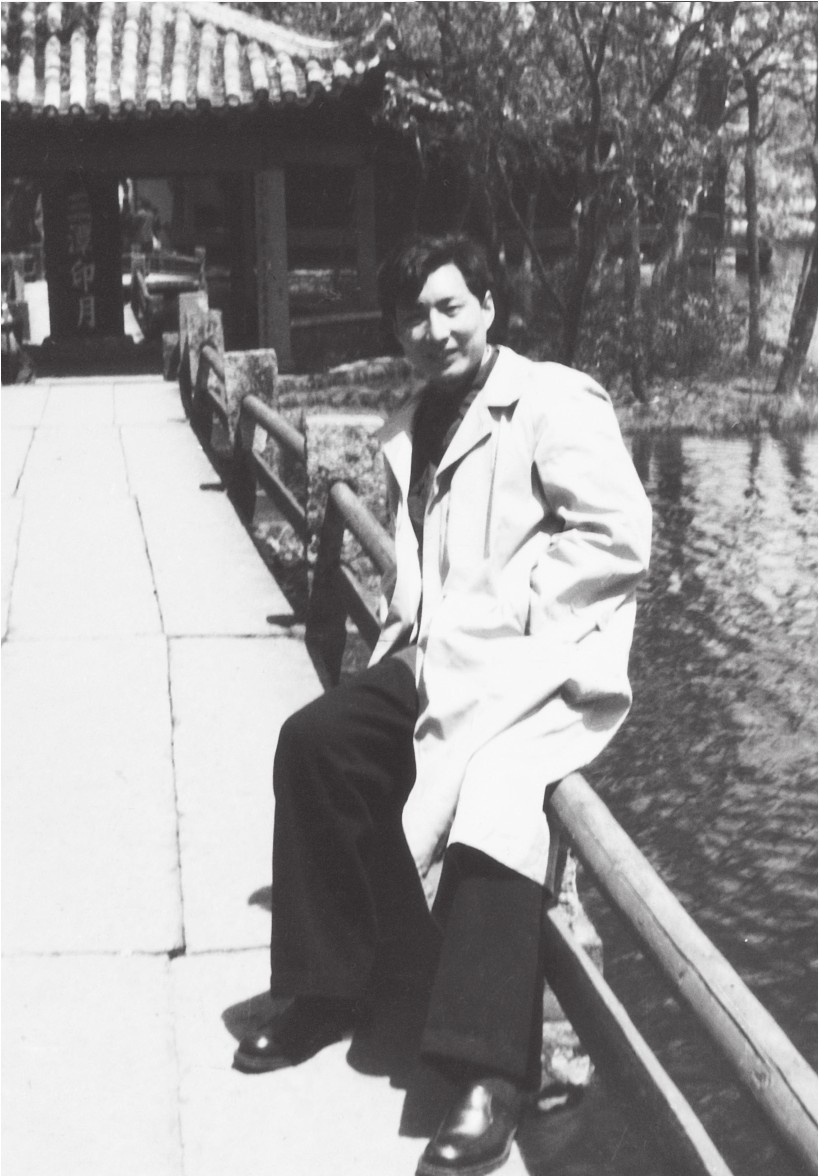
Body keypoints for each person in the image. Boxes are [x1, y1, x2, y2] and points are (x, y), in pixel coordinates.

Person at [234, 233, 652, 1176]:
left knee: (499, 794)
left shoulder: (554, 400)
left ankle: (485, 1075)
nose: (434, 330)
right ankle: (326, 988)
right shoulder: (417, 418)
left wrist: (520, 621)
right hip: (439, 658)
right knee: (317, 740)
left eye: (451, 306)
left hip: (541, 668)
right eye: (414, 316)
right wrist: (425, 631)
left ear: (489, 307)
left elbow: (617, 536)